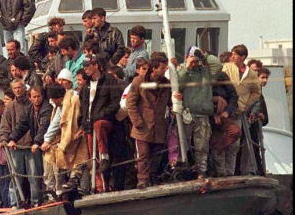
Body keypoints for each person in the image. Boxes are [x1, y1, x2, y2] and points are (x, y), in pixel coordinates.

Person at [79, 54, 123, 192]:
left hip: (106, 122)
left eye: (88, 66)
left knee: (99, 125)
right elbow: (84, 108)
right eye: (84, 66)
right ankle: (100, 187)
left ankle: (105, 157)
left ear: (96, 65)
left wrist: (101, 115)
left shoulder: (109, 80)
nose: (85, 69)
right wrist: (83, 124)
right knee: (93, 158)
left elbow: (116, 103)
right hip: (90, 125)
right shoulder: (85, 86)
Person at [126, 57, 171, 189]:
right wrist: (137, 121)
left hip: (158, 126)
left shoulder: (166, 83)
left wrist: (176, 100)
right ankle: (142, 180)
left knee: (156, 153)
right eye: (162, 67)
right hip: (143, 125)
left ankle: (152, 177)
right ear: (154, 68)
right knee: (143, 154)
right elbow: (130, 102)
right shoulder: (139, 81)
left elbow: (170, 102)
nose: (165, 70)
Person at [222, 44, 261, 175]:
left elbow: (256, 92)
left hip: (238, 112)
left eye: (235, 54)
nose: (232, 56)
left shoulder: (251, 74)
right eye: (232, 54)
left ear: (243, 57)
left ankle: (229, 172)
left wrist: (245, 104)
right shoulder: (227, 67)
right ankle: (220, 171)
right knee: (222, 141)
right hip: (225, 110)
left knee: (234, 144)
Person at [41, 84, 88, 193]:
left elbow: (79, 118)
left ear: (58, 98)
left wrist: (81, 128)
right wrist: (47, 140)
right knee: (53, 155)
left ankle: (83, 188)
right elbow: (56, 122)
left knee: (82, 161)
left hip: (80, 135)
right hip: (66, 138)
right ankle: (55, 190)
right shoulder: (61, 106)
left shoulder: (74, 100)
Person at [176, 46, 215, 178]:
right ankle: (181, 171)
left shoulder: (206, 72)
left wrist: (203, 56)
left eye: (196, 60)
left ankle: (201, 172)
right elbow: (177, 85)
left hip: (203, 114)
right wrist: (186, 67)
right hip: (186, 114)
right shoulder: (181, 70)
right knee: (182, 143)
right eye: (192, 58)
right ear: (186, 57)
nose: (194, 62)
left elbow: (218, 65)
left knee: (202, 146)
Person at [8, 86, 51, 203]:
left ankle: (38, 201)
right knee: (33, 175)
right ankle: (31, 202)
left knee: (38, 175)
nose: (37, 99)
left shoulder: (47, 108)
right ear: (30, 98)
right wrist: (12, 139)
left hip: (47, 144)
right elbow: (21, 125)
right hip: (37, 145)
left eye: (39, 96)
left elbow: (44, 126)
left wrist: (37, 141)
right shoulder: (30, 109)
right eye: (34, 97)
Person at [248, 67, 270, 175]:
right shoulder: (254, 92)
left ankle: (258, 170)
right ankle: (257, 170)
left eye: (266, 78)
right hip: (250, 124)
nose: (265, 80)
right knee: (252, 147)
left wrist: (261, 116)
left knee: (255, 147)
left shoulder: (259, 93)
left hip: (255, 125)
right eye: (262, 77)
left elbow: (264, 115)